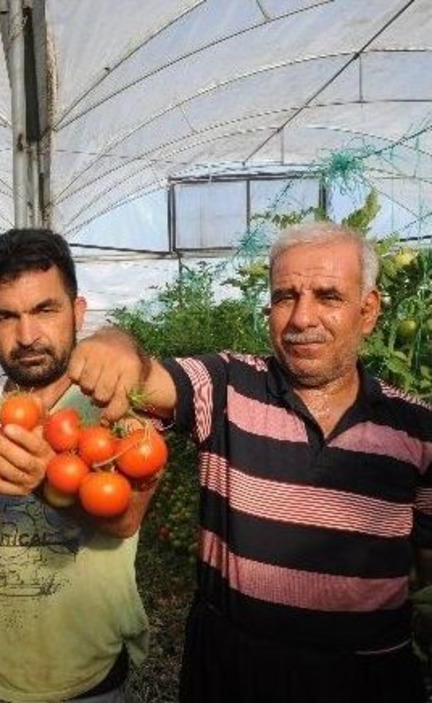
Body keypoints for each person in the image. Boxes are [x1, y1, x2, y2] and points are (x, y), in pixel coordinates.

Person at [68, 221, 431, 702]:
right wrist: (113, 342)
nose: (301, 318)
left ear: (368, 312)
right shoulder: (226, 386)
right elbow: (150, 377)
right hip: (234, 674)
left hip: (366, 681)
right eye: (285, 297)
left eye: (328, 296)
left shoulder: (416, 430)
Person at [0, 229, 156, 703]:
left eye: (45, 310)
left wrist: (46, 481)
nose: (27, 336)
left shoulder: (111, 405)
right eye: (6, 317)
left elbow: (126, 516)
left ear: (78, 312)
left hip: (89, 679)